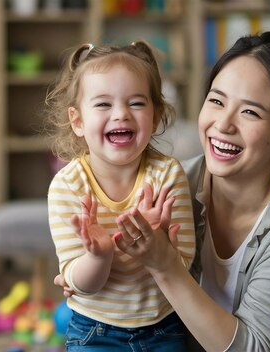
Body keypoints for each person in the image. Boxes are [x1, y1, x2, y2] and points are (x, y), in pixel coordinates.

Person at [61, 31, 270, 351]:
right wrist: (86, 275)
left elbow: (251, 347)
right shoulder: (175, 183)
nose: (223, 124)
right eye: (216, 100)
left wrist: (165, 265)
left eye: (250, 112)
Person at [45, 41, 196, 351]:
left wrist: (157, 243)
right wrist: (99, 257)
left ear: (155, 118)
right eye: (103, 104)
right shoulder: (68, 186)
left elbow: (184, 265)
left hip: (164, 327)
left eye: (137, 103)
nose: (121, 114)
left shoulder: (167, 175)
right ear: (78, 121)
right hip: (95, 332)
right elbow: (77, 284)